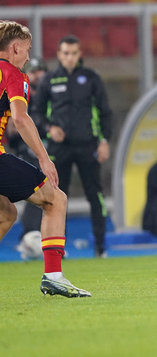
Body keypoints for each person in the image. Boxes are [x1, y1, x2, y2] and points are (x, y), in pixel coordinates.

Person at [0, 21, 90, 297]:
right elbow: (21, 117)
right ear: (15, 48)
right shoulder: (13, 74)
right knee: (56, 199)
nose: (28, 57)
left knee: (6, 213)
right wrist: (44, 158)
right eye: (26, 50)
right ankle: (53, 275)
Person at [32, 35, 112, 258]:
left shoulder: (92, 78)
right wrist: (49, 129)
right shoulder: (48, 80)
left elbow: (105, 112)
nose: (69, 57)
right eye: (65, 53)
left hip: (89, 146)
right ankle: (59, 250)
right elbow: (36, 114)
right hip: (60, 148)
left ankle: (101, 246)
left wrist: (105, 140)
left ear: (80, 55)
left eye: (74, 53)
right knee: (56, 197)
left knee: (95, 195)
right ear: (59, 55)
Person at [5, 57, 47, 245]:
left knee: (53, 195)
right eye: (33, 71)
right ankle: (31, 236)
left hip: (52, 151)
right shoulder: (17, 92)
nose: (37, 75)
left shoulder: (52, 96)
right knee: (38, 194)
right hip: (26, 152)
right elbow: (14, 128)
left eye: (41, 71)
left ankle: (47, 240)